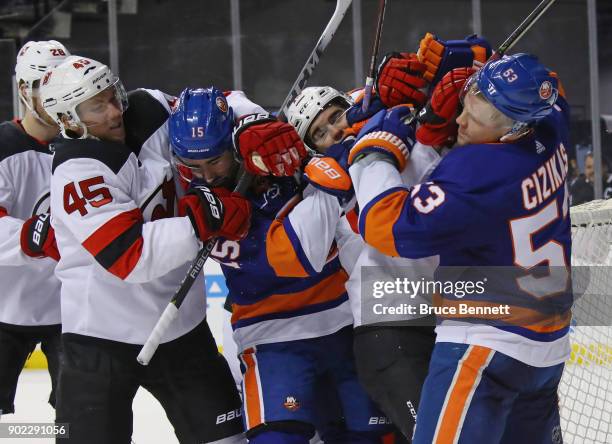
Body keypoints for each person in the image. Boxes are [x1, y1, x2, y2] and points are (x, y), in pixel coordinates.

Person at [348, 53, 572, 443]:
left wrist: (374, 151)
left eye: (476, 120)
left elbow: (384, 226)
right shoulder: (552, 123)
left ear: (510, 131)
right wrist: (465, 55)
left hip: (486, 350)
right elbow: (548, 80)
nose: (460, 122)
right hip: (547, 352)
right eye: (466, 105)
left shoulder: (478, 173)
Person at [281, 33, 491, 442]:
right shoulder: (324, 184)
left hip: (448, 321)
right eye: (321, 133)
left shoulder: (392, 137)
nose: (336, 131)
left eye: (335, 116)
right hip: (390, 332)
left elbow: (431, 89)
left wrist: (429, 71)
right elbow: (362, 181)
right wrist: (386, 121)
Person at [40, 56, 255, 444]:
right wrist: (202, 220)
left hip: (182, 331)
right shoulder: (76, 173)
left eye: (111, 96)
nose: (113, 111)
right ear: (69, 120)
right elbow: (130, 255)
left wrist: (256, 122)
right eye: (96, 107)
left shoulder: (151, 106)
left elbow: (218, 104)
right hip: (100, 340)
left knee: (229, 440)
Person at [169, 87, 390, 444]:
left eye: (216, 161)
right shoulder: (202, 204)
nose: (207, 176)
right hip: (270, 336)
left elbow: (230, 97)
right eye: (194, 166)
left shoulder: (273, 148)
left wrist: (256, 122)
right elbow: (290, 259)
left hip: (347, 323)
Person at [0, 40, 70, 418]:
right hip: (4, 311)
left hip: (70, 312)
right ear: (25, 89)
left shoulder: (84, 146)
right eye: (49, 84)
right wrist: (32, 235)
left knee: (78, 424)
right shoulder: (3, 146)